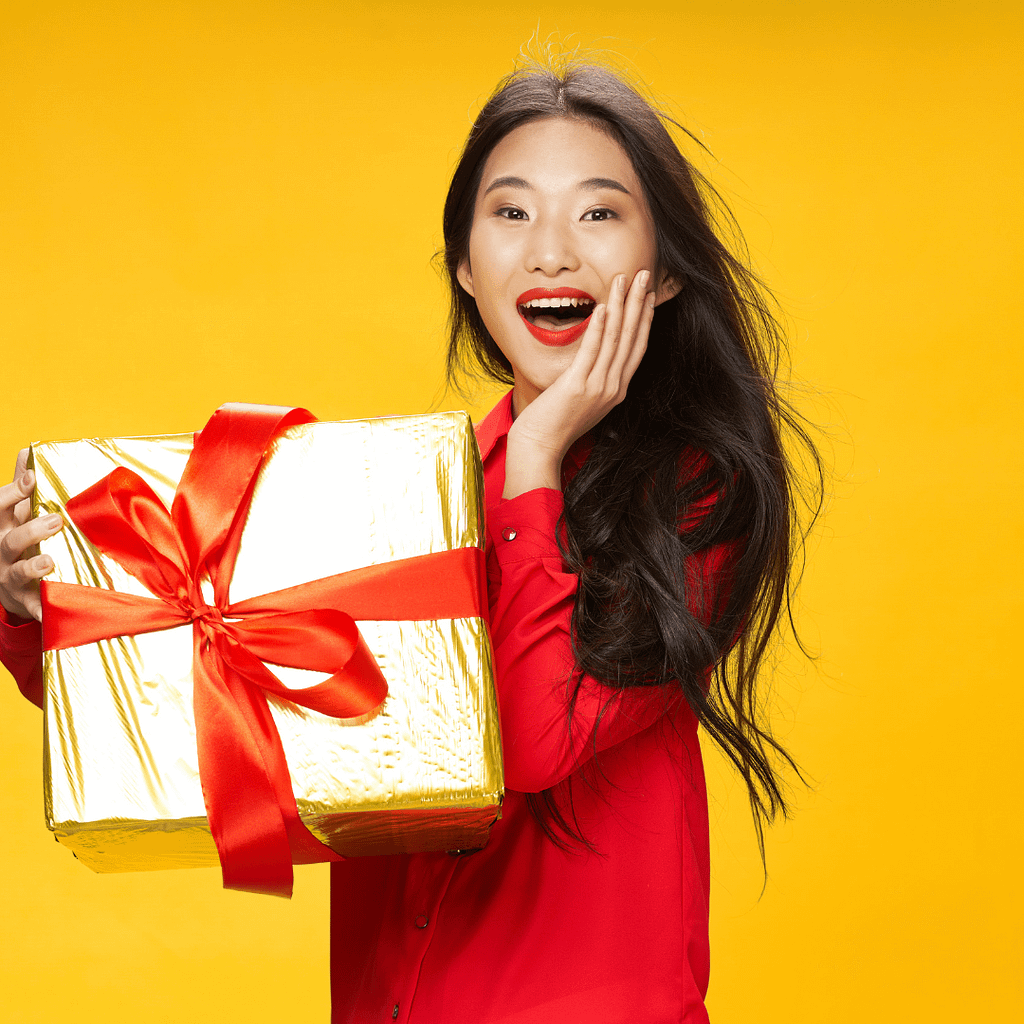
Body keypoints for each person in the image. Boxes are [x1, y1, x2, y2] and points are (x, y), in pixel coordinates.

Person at [0, 59, 818, 1023]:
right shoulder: (406, 494)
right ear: (466, 266)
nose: (551, 252)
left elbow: (527, 741)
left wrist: (542, 451)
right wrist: (42, 606)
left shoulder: (699, 494)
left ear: (667, 267)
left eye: (598, 214)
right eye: (510, 214)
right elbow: (250, 708)